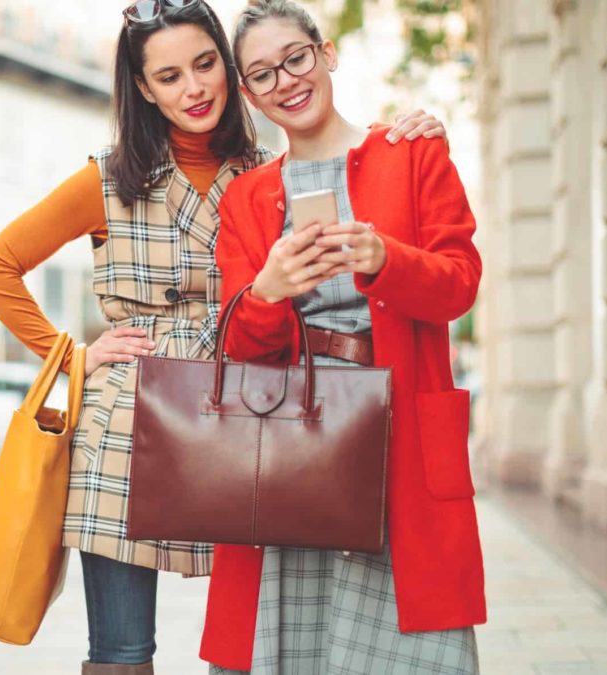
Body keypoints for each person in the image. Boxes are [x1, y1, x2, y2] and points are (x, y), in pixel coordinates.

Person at [0, 1, 446, 671]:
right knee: (123, 650)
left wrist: (415, 126)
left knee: (254, 633)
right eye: (168, 77)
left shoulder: (262, 173)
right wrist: (71, 354)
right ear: (142, 87)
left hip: (243, 414)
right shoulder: (107, 179)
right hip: (128, 424)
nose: (193, 89)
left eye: (204, 65)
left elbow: (343, 151)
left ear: (230, 69)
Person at [200, 1, 485, 673]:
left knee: (413, 646)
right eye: (263, 74)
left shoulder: (412, 153)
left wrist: (386, 257)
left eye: (296, 59)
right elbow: (240, 345)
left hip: (398, 440)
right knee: (291, 642)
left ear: (327, 53)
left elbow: (460, 283)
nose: (286, 82)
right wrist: (269, 288)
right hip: (288, 446)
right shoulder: (246, 197)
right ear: (247, 91)